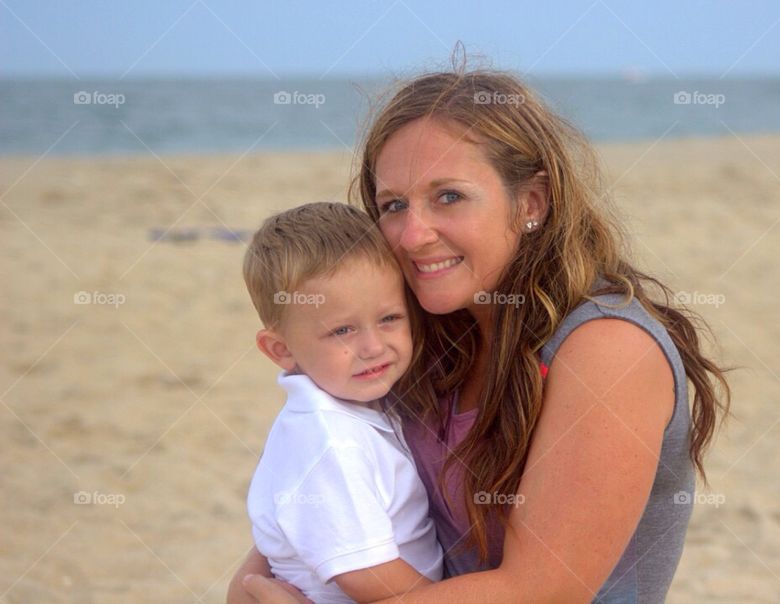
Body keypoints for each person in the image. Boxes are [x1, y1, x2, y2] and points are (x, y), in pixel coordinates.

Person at [228, 65, 731, 604]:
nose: (414, 235)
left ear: (531, 203)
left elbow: (541, 590)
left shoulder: (607, 348)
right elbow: (312, 502)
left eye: (448, 197)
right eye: (394, 205)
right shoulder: (417, 336)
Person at [241, 202, 444, 603]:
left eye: (389, 318)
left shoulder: (355, 406)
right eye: (342, 330)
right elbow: (367, 576)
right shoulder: (330, 441)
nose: (372, 347)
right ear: (281, 349)